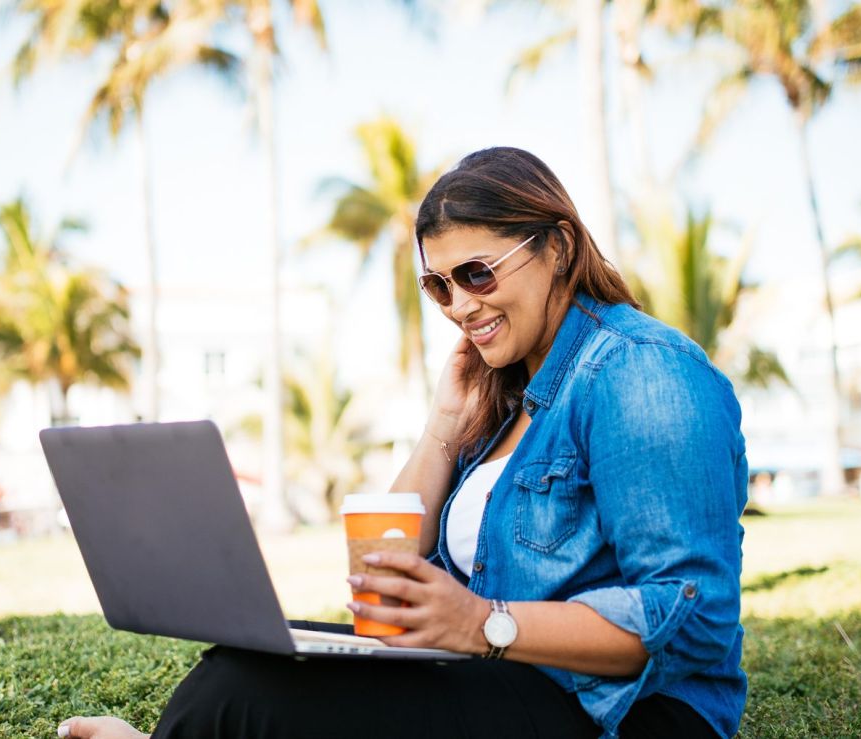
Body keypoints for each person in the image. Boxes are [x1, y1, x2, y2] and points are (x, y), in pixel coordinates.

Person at [58, 147, 747, 739]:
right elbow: (379, 570)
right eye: (437, 286)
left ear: (559, 247)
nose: (461, 305)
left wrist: (483, 622)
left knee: (246, 694)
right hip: (501, 681)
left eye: (477, 273)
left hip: (613, 712)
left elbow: (690, 622)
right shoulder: (504, 395)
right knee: (241, 662)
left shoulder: (641, 371)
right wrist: (443, 430)